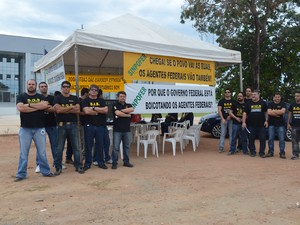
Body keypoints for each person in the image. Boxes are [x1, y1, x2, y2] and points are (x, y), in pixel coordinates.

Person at [15, 79, 54, 181]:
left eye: (33, 84)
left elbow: (45, 106)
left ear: (36, 86)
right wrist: (38, 107)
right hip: (25, 129)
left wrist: (28, 105)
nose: (31, 86)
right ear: (26, 85)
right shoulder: (21, 96)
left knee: (42, 152)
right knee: (23, 153)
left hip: (39, 128)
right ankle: (21, 174)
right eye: (29, 84)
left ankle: (46, 171)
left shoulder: (40, 96)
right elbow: (21, 108)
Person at [53, 81, 84, 175]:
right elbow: (58, 110)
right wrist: (71, 107)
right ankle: (58, 167)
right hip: (61, 126)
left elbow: (77, 110)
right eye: (64, 87)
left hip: (73, 125)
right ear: (61, 88)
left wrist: (64, 109)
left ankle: (78, 165)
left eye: (67, 87)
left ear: (70, 88)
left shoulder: (74, 98)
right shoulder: (57, 98)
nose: (66, 88)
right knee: (59, 148)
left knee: (76, 147)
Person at [81, 85, 108, 170]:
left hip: (100, 126)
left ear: (97, 92)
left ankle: (101, 162)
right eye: (92, 90)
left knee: (100, 144)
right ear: (89, 91)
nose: (94, 91)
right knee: (88, 145)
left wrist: (93, 108)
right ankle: (88, 163)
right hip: (89, 126)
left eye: (96, 90)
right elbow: (86, 111)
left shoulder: (101, 100)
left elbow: (105, 110)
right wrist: (98, 111)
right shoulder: (85, 100)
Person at [35, 82, 58, 173]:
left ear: (47, 87)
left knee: (55, 145)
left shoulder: (52, 98)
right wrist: (46, 107)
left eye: (45, 86)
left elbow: (54, 109)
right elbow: (35, 108)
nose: (44, 88)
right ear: (39, 88)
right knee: (40, 146)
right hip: (40, 125)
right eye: (42, 87)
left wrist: (41, 107)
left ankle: (57, 163)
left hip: (52, 124)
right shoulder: (36, 98)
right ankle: (39, 164)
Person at [111, 91, 135, 169]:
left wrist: (121, 111)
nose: (122, 98)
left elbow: (132, 109)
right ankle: (114, 163)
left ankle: (126, 162)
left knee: (127, 147)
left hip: (127, 130)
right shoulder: (114, 105)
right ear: (118, 97)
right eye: (121, 96)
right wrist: (127, 115)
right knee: (115, 147)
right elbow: (117, 113)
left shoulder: (128, 105)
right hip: (117, 130)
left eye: (124, 96)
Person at [242, 90, 268, 158]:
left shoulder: (263, 103)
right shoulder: (248, 103)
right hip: (251, 125)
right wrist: (244, 122)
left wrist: (266, 121)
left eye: (255, 94)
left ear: (259, 95)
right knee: (251, 139)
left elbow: (266, 112)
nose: (253, 95)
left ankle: (262, 152)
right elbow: (244, 113)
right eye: (252, 94)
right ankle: (252, 152)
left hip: (261, 125)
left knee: (262, 139)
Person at [266, 92, 286, 158]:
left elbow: (283, 112)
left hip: (281, 124)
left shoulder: (283, 104)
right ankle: (270, 152)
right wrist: (278, 113)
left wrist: (273, 111)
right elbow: (269, 112)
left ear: (280, 98)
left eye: (278, 97)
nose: (277, 98)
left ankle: (282, 153)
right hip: (271, 124)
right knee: (270, 139)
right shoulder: (270, 104)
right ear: (273, 98)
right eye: (276, 97)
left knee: (282, 139)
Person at [288, 90, 300, 160]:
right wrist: (288, 123)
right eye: (295, 96)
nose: (296, 97)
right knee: (294, 141)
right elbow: (289, 114)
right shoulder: (292, 105)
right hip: (294, 126)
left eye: (298, 96)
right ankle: (295, 154)